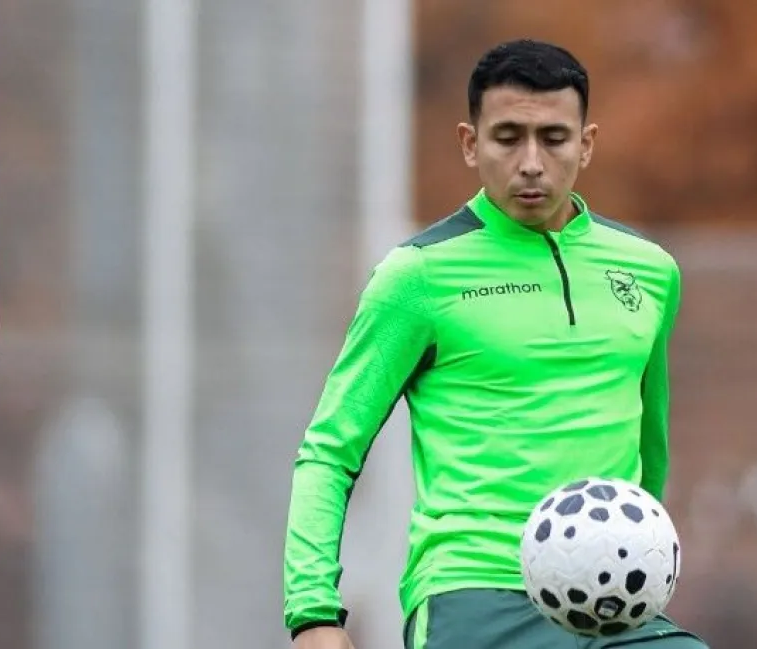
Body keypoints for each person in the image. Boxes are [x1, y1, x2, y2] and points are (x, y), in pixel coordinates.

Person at [284, 38, 709, 649]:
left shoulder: (649, 272)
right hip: (474, 594)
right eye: (508, 138)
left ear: (586, 144)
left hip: (611, 603)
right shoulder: (419, 277)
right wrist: (313, 614)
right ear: (470, 143)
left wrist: (643, 569)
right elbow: (329, 451)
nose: (531, 162)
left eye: (554, 139)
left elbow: (651, 447)